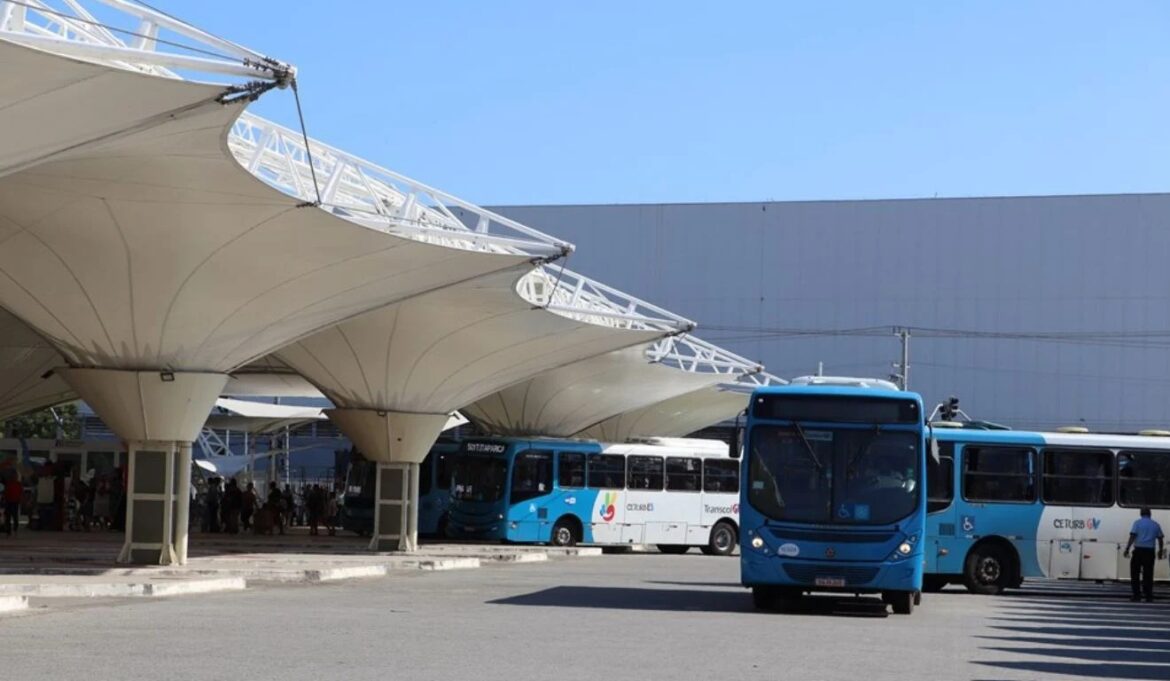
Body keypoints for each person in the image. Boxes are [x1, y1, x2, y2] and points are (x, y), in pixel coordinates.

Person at [1123, 507, 1165, 602]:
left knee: (1135, 573)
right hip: (1150, 552)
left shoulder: (1137, 523)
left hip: (1138, 551)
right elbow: (1160, 538)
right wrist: (1160, 550)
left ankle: (1136, 595)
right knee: (1148, 574)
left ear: (1141, 513)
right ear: (1150, 514)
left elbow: (1132, 536)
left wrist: (1127, 548)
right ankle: (1148, 595)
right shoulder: (1155, 524)